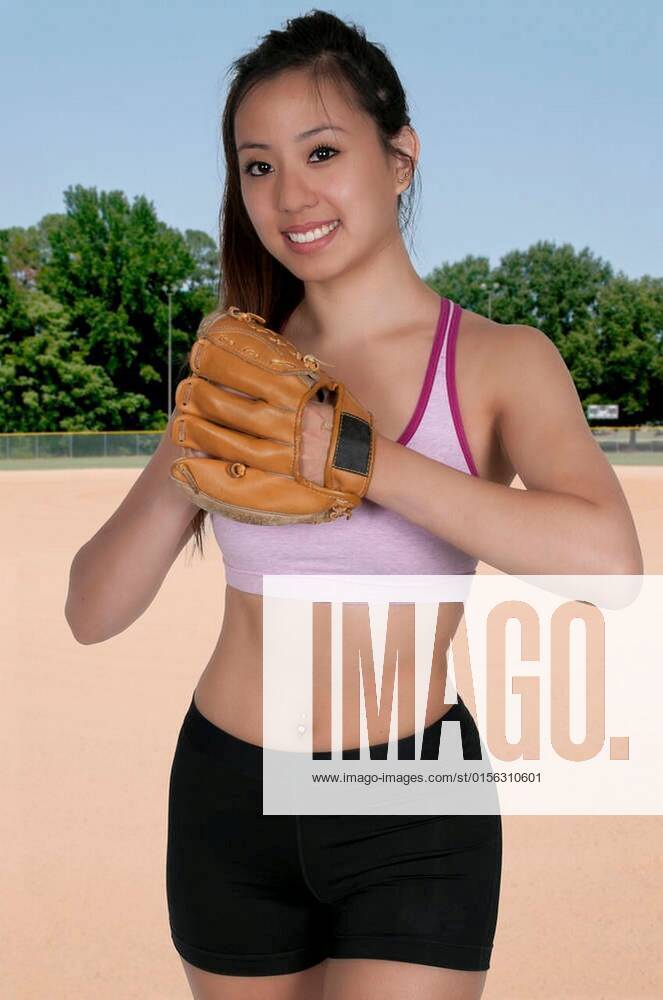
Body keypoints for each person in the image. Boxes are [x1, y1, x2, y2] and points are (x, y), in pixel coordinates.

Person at [64, 10, 643, 1000]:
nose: (289, 195)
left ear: (401, 158)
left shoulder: (502, 360)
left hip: (410, 800)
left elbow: (612, 570)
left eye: (321, 151)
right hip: (225, 794)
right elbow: (91, 611)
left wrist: (368, 460)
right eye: (257, 167)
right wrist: (190, 442)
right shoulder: (239, 366)